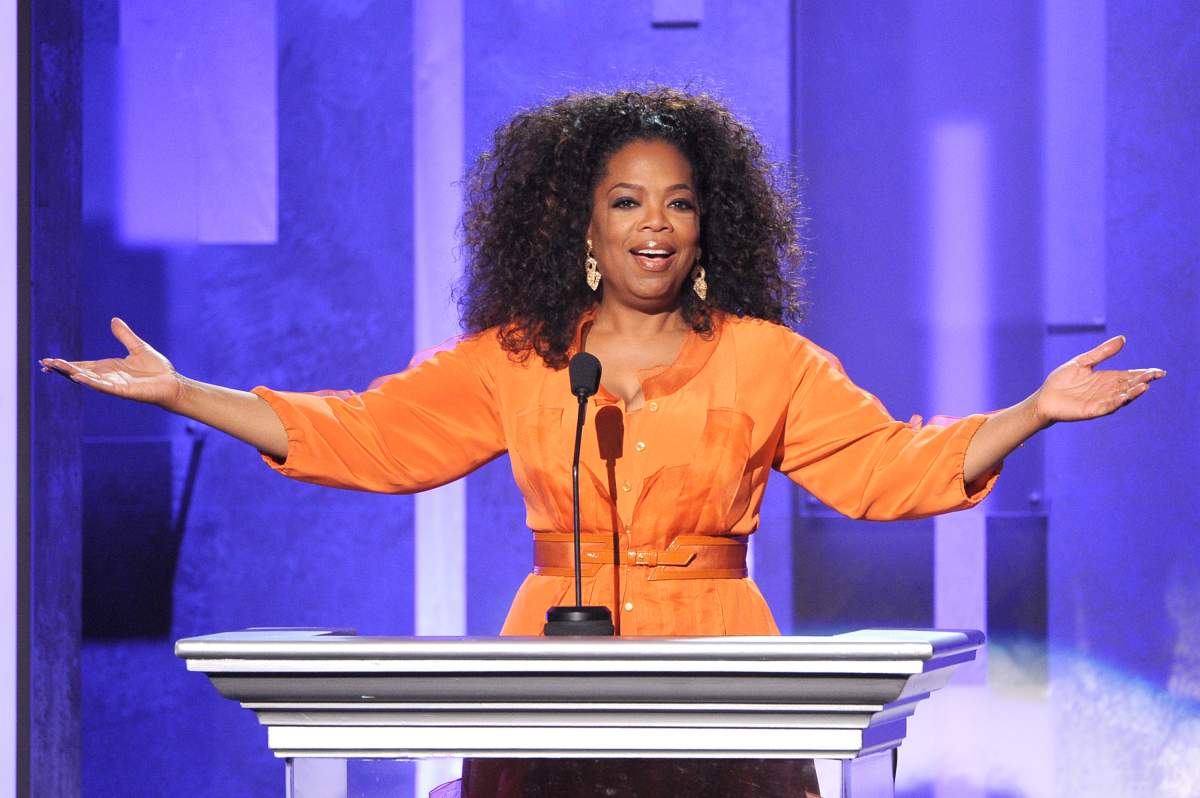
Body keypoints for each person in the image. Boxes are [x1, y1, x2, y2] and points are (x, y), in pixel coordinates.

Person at [42, 89, 1164, 797]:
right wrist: (188, 392)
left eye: (677, 203)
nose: (656, 226)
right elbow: (371, 437)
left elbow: (887, 469)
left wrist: (1028, 411)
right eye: (627, 202)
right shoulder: (522, 355)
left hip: (726, 665)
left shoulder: (768, 358)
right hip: (551, 664)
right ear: (580, 225)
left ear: (708, 221)